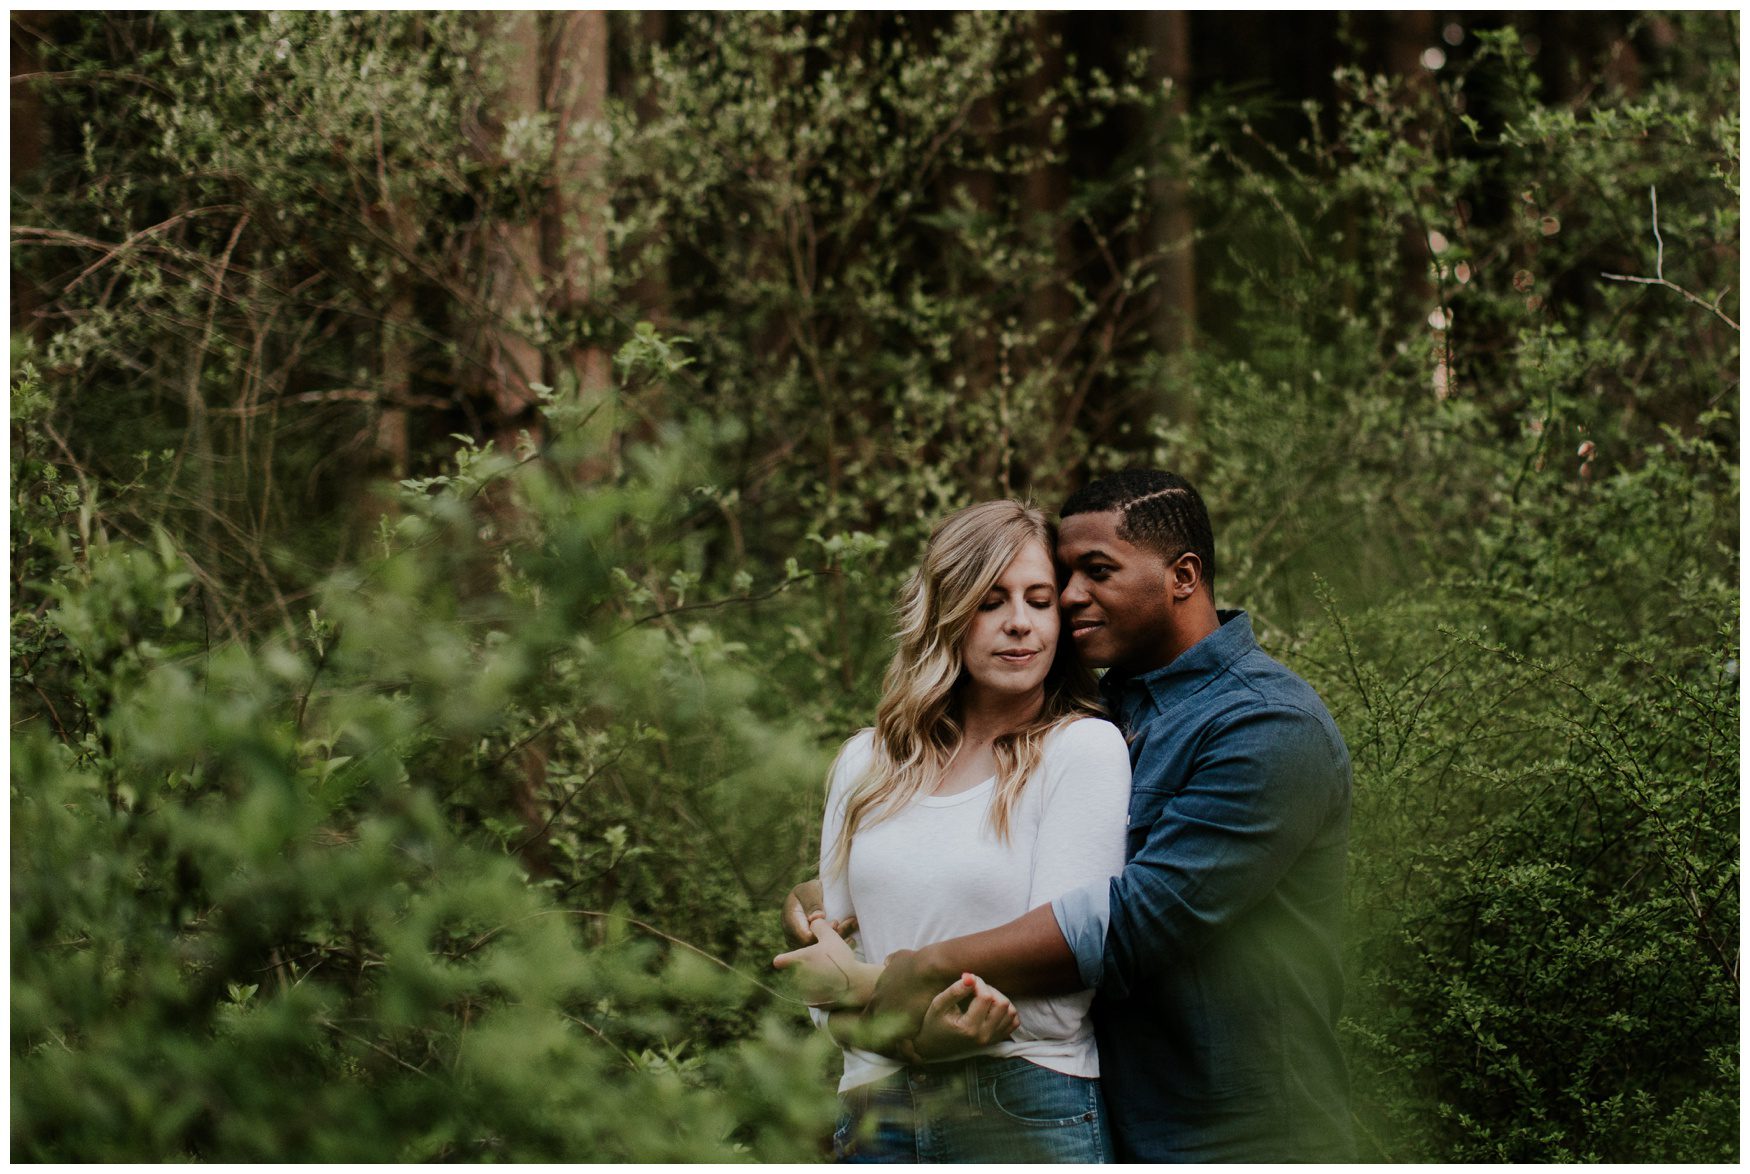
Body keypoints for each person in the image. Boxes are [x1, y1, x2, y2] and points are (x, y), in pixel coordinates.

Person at [785, 470, 1354, 1162]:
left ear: (1183, 576)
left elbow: (1130, 923)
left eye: (1096, 572)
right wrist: (831, 900)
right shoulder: (1108, 710)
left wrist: (908, 973)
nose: (1069, 597)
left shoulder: (1266, 726)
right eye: (1063, 580)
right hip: (1124, 1110)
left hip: (1241, 1126)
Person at [772, 499, 1131, 1163]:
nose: (1020, 622)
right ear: (948, 612)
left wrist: (874, 1002)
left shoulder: (1082, 751)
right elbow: (823, 988)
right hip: (875, 1113)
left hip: (1024, 1102)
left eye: (1039, 600)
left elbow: (1063, 982)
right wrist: (917, 1042)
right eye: (991, 602)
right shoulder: (865, 763)